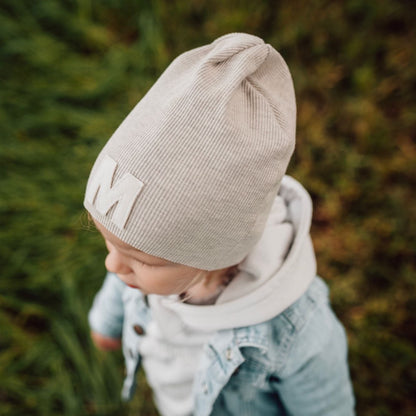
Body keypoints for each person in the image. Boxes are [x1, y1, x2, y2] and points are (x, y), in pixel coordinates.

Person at [84, 33, 355, 416]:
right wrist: (106, 325)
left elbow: (327, 409)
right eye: (109, 243)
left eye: (138, 258)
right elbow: (121, 286)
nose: (113, 265)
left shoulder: (297, 330)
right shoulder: (143, 263)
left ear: (215, 252)